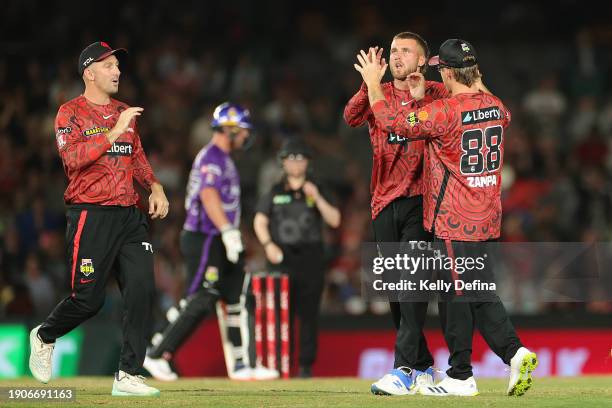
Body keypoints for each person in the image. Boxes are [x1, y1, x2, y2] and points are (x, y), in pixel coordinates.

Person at [354, 39, 538, 397]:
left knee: (456, 297)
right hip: (487, 217)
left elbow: (395, 121)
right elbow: (486, 101)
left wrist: (375, 85)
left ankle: (460, 376)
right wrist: (443, 90)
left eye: (442, 69)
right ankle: (515, 354)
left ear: (450, 72)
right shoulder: (497, 107)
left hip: (454, 219)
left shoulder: (446, 111)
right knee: (478, 293)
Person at [29, 41, 168, 397]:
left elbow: (136, 156)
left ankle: (128, 374)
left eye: (118, 66)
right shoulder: (69, 112)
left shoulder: (124, 112)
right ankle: (44, 336)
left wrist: (154, 186)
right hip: (90, 214)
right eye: (109, 66)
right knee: (88, 299)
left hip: (129, 215)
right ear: (89, 73)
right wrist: (112, 131)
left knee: (141, 290)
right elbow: (72, 161)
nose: (117, 71)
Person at [344, 32, 448, 395]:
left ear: (422, 60)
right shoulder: (379, 91)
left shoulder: (435, 92)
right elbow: (351, 117)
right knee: (394, 289)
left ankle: (402, 368)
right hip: (383, 200)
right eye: (393, 51)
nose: (398, 56)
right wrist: (368, 83)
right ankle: (423, 367)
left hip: (422, 198)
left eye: (406, 51)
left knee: (412, 283)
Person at [143, 102, 277, 381]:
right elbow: (209, 196)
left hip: (218, 237)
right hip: (205, 236)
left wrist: (230, 233)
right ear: (228, 129)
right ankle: (157, 354)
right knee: (201, 298)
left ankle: (243, 365)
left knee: (238, 294)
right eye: (241, 130)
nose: (245, 136)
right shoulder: (212, 157)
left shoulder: (224, 159)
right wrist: (228, 231)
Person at [253, 138, 340, 378]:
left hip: (311, 258)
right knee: (281, 315)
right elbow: (260, 220)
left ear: (308, 162)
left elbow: (334, 220)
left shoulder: (318, 187)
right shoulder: (275, 190)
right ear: (282, 162)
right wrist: (268, 244)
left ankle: (305, 366)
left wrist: (318, 198)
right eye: (290, 158)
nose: (295, 163)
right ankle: (280, 365)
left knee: (309, 314)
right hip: (281, 258)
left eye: (300, 158)